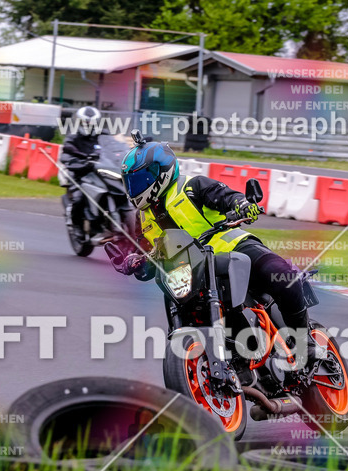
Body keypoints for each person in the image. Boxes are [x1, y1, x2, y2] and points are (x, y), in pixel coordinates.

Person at [114, 137, 320, 366]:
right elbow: (147, 260)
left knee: (283, 276)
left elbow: (226, 197)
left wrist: (242, 204)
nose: (135, 187)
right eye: (131, 182)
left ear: (161, 172)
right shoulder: (142, 219)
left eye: (141, 179)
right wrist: (134, 262)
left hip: (233, 247)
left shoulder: (191, 186)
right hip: (189, 272)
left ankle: (305, 343)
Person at [60, 106, 104, 225]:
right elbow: (65, 155)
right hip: (80, 174)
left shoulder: (103, 136)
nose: (89, 125)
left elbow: (116, 147)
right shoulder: (73, 138)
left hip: (99, 173)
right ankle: (75, 224)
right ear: (79, 122)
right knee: (79, 199)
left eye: (92, 122)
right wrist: (73, 161)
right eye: (86, 122)